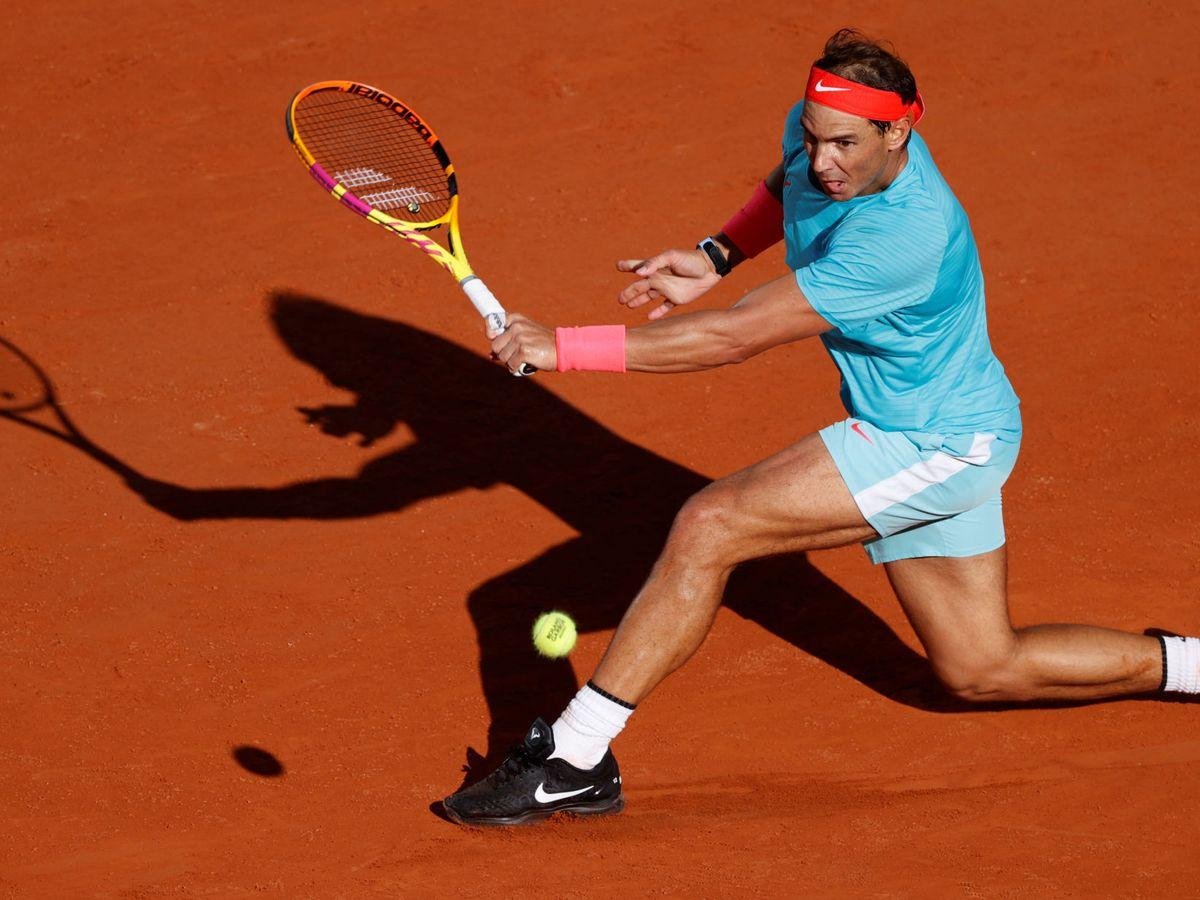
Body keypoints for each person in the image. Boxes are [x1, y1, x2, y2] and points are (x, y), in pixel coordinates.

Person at [441, 28, 1198, 827]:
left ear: (897, 133)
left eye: (843, 145)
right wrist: (718, 252)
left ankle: (572, 761)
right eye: (811, 136)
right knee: (983, 669)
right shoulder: (823, 136)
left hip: (934, 443)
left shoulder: (903, 237)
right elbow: (787, 182)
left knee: (710, 525)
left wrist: (560, 347)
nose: (821, 160)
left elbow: (734, 337)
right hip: (951, 426)